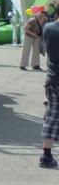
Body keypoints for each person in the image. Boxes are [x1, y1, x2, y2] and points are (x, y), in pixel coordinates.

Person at [38, 17, 59, 168]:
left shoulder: (48, 28)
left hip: (53, 79)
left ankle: (46, 155)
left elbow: (43, 49)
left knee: (51, 117)